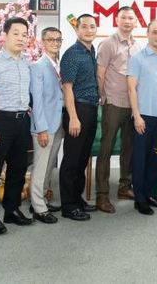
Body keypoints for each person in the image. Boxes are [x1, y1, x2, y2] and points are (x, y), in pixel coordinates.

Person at [0, 17, 33, 235]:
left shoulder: (26, 61)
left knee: (18, 168)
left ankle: (12, 210)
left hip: (22, 120)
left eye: (24, 34)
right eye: (16, 33)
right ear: (4, 36)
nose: (21, 38)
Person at [95, 6, 140, 213]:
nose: (127, 21)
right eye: (124, 18)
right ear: (117, 20)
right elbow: (100, 73)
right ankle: (102, 195)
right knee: (106, 149)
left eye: (131, 18)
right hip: (113, 103)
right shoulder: (108, 44)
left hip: (132, 106)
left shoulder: (137, 45)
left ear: (135, 22)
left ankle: (124, 187)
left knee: (128, 149)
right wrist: (104, 97)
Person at [127, 20, 157, 215]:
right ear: (147, 34)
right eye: (155, 32)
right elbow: (131, 88)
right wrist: (137, 116)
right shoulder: (137, 58)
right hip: (144, 117)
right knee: (140, 159)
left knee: (155, 158)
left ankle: (150, 194)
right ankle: (140, 200)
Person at [60, 14, 100, 221]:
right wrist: (73, 117)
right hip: (77, 110)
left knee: (83, 159)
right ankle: (68, 206)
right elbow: (67, 88)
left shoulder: (91, 51)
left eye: (92, 26)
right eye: (84, 27)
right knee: (71, 160)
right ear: (76, 30)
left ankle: (77, 199)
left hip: (91, 110)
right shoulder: (72, 54)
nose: (89, 30)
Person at [28, 27, 65, 224]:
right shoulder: (38, 66)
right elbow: (37, 101)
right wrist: (41, 128)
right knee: (41, 167)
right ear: (43, 42)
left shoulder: (57, 65)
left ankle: (41, 199)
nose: (55, 43)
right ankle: (38, 209)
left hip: (57, 124)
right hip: (44, 126)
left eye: (58, 40)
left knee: (50, 165)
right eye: (51, 39)